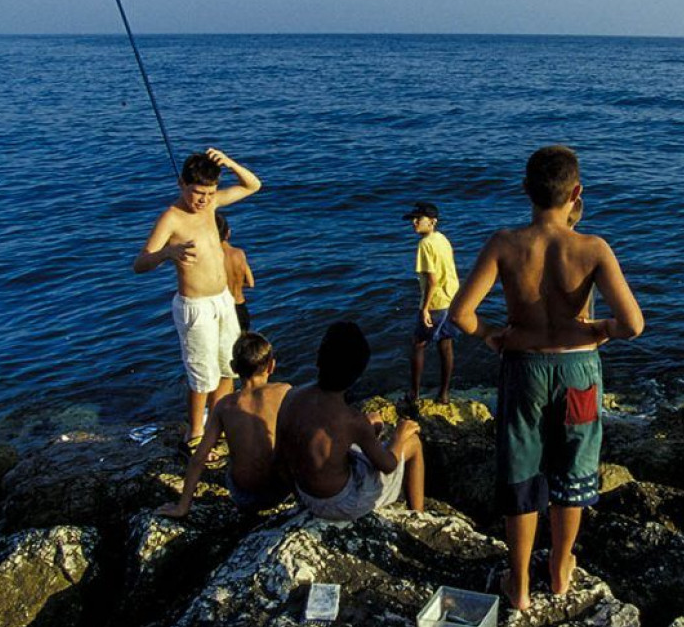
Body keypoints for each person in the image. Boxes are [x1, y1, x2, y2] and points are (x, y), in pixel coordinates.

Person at [449, 145, 643, 611]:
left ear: (526, 191)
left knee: (522, 469)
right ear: (576, 192)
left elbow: (460, 314)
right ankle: (559, 569)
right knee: (573, 466)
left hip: (524, 369)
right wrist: (599, 330)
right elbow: (633, 325)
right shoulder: (593, 248)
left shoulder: (504, 243)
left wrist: (493, 335)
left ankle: (517, 584)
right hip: (578, 371)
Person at [133, 148, 262, 455]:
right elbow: (139, 263)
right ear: (182, 184)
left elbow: (252, 185)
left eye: (209, 192)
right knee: (201, 374)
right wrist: (167, 253)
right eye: (196, 192)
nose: (203, 200)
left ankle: (220, 426)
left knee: (228, 368)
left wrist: (228, 162)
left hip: (223, 301)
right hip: (196, 306)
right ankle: (195, 434)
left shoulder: (211, 205)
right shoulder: (171, 218)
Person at [277, 321, 426, 520]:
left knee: (372, 419)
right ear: (357, 374)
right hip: (341, 504)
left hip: (305, 494)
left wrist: (300, 496)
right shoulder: (351, 420)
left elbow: (279, 458)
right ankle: (419, 516)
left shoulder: (290, 396)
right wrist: (399, 435)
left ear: (318, 359)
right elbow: (388, 465)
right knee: (413, 443)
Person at [158, 331, 291, 517]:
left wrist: (182, 507)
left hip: (245, 497)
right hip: (283, 491)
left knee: (231, 462)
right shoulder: (284, 392)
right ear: (272, 366)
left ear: (233, 367)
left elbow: (198, 459)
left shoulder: (224, 406)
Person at [403, 202, 461, 404]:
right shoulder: (442, 239)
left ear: (433, 221)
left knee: (417, 344)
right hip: (452, 298)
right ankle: (444, 394)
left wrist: (425, 308)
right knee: (446, 346)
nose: (414, 222)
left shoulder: (425, 244)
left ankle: (414, 394)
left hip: (437, 303)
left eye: (419, 218)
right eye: (414, 218)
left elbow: (432, 279)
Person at [216, 213, 256, 332]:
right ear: (228, 233)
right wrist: (237, 284)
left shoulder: (213, 258)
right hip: (241, 307)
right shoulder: (239, 253)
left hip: (224, 310)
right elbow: (251, 283)